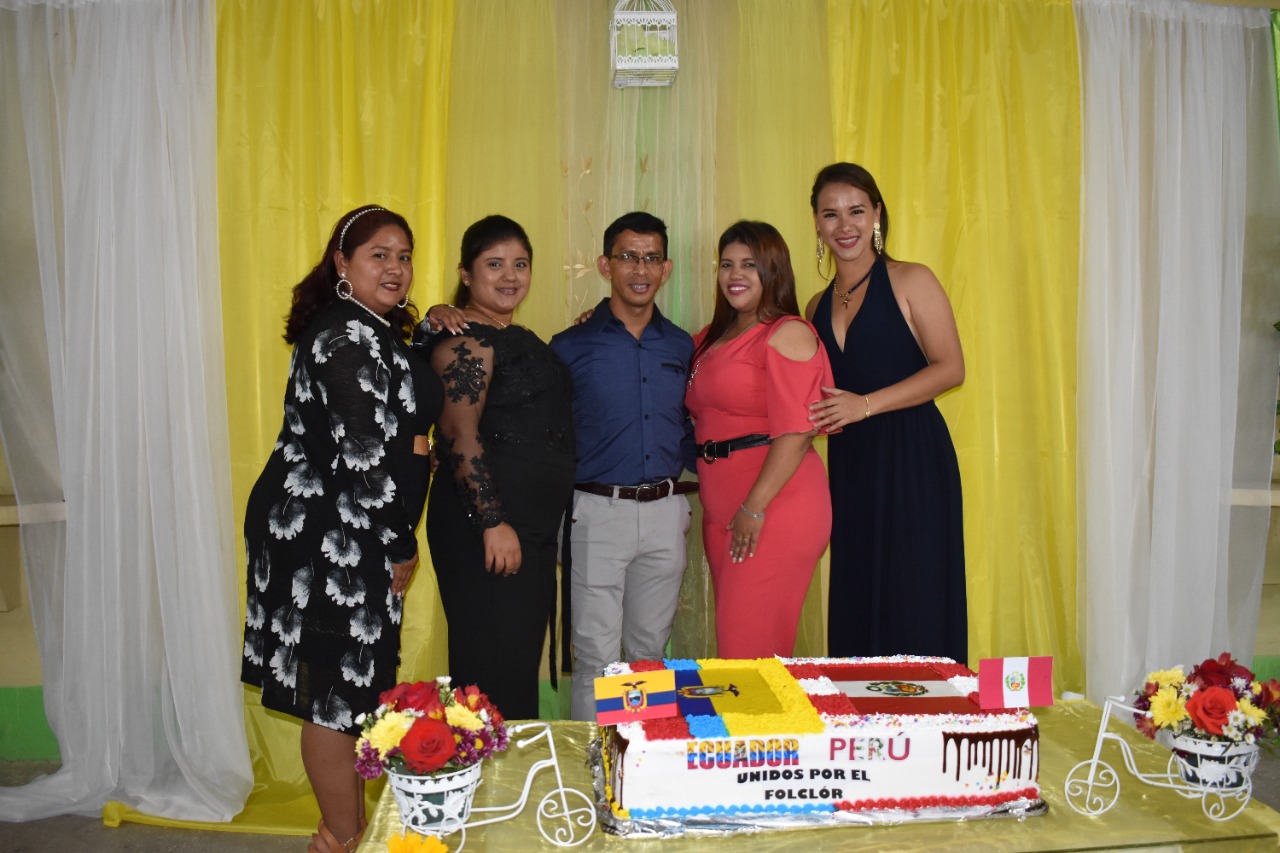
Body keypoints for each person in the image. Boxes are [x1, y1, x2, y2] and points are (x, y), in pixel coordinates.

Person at [241, 205, 441, 853]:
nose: (395, 267)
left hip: (353, 531)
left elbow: (397, 402)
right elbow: (362, 454)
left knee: (350, 692)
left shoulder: (371, 330)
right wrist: (402, 544)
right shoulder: (343, 336)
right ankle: (343, 837)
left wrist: (430, 325)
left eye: (404, 256)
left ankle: (340, 834)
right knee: (333, 696)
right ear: (342, 263)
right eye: (379, 254)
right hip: (328, 539)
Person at [804, 162, 967, 662]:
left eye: (856, 210)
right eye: (830, 214)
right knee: (858, 593)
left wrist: (865, 405)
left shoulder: (911, 279)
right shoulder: (814, 305)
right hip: (851, 464)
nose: (844, 225)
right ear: (816, 224)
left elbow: (951, 369)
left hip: (913, 459)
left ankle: (929, 703)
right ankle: (858, 708)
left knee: (914, 595)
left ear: (877, 214)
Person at [424, 215, 575, 721]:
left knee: (513, 672)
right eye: (494, 264)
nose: (510, 276)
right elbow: (458, 436)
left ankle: (508, 772)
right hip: (487, 527)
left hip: (527, 529)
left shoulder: (517, 336)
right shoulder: (464, 341)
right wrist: (492, 521)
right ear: (466, 274)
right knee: (492, 676)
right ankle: (486, 773)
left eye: (520, 264)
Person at [549, 211, 697, 722]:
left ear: (666, 268)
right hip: (595, 512)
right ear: (605, 265)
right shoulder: (569, 346)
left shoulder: (681, 344)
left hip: (665, 512)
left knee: (648, 654)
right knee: (595, 656)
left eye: (651, 258)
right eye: (628, 257)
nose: (640, 269)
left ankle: (641, 764)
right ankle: (594, 767)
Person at [684, 221, 833, 658]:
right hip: (723, 511)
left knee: (747, 652)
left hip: (773, 506)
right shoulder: (709, 339)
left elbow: (799, 431)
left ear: (774, 270)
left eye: (750, 265)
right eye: (727, 264)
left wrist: (754, 506)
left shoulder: (787, 332)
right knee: (744, 651)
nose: (735, 275)